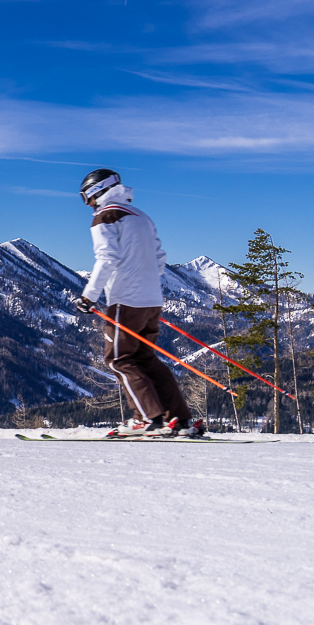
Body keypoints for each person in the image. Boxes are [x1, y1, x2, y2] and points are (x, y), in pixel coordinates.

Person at [73, 169, 204, 437]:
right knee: (144, 359)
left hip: (125, 300)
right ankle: (178, 419)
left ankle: (146, 419)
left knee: (119, 359)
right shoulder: (141, 217)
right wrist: (145, 284)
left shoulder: (106, 216)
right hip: (152, 300)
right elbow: (159, 258)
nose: (88, 204)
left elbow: (107, 258)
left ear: (98, 190)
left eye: (87, 197)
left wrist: (89, 296)